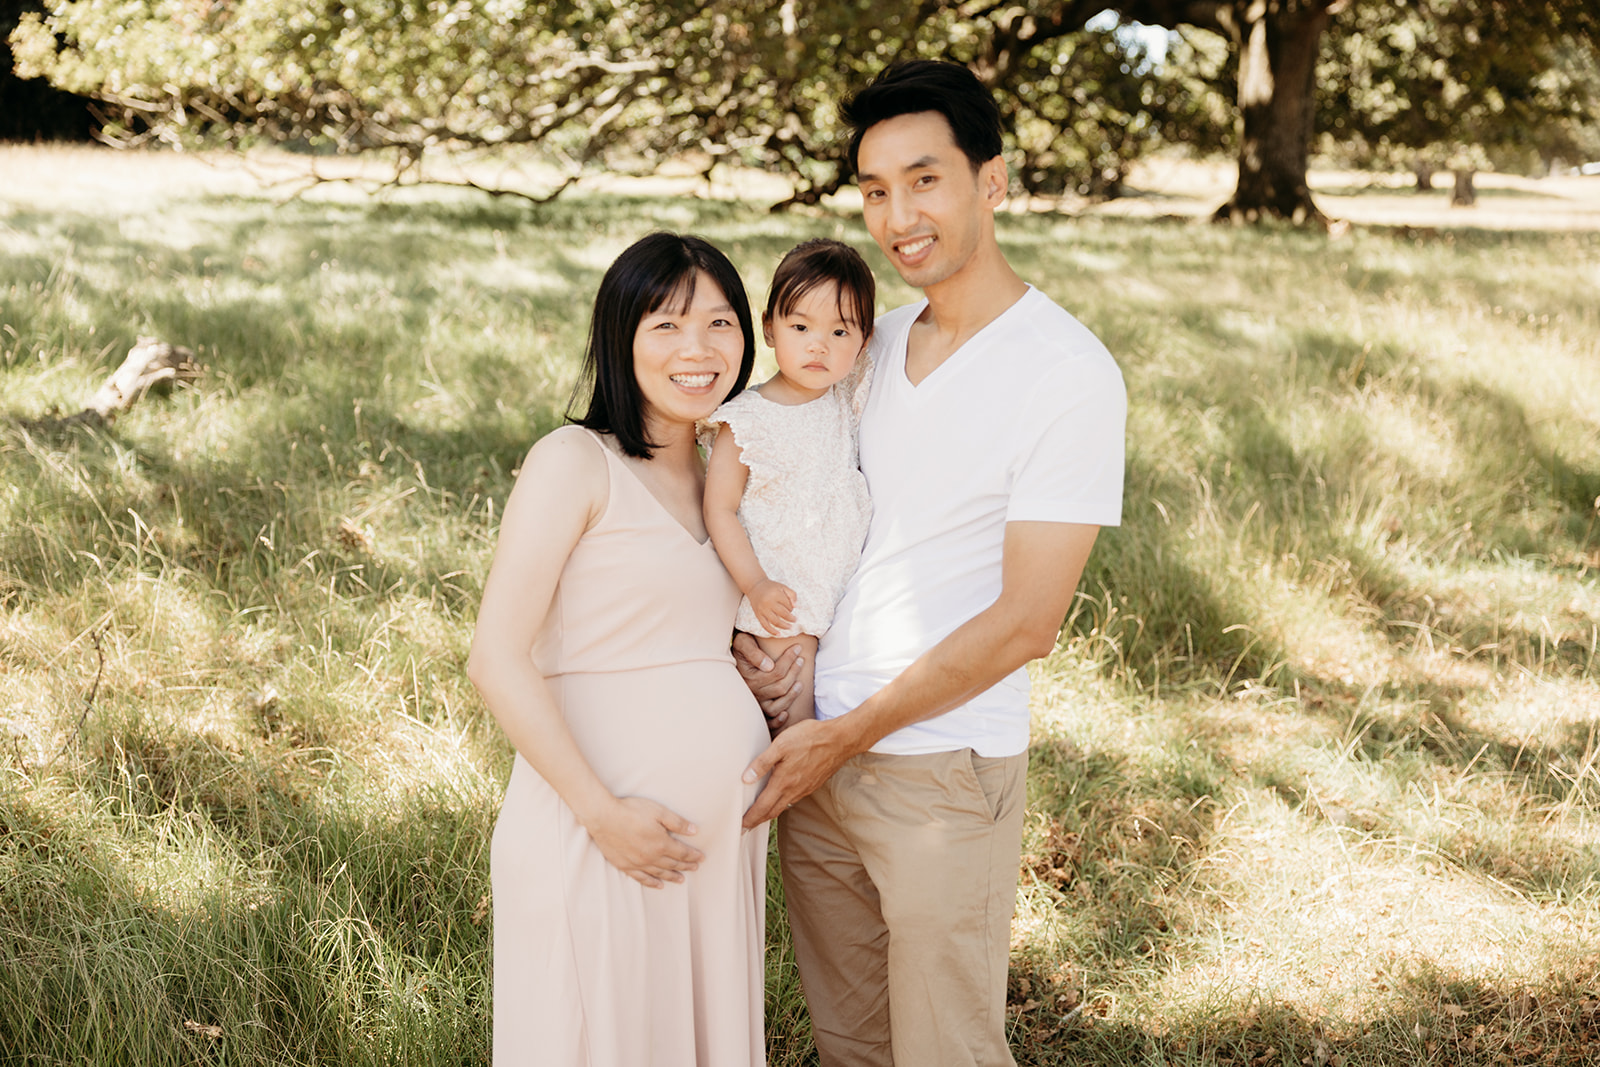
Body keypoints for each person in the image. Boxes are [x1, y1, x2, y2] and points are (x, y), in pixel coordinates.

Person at [734, 60, 1128, 1067]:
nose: (897, 215)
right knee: (851, 1044)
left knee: (946, 1050)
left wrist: (843, 731)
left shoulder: (1066, 373)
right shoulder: (869, 341)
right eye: (873, 190)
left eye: (923, 179)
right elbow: (772, 470)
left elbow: (1025, 621)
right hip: (818, 749)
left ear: (990, 180)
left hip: (942, 769)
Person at [467, 232, 771, 1066]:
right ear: (618, 336)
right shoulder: (574, 462)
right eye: (666, 326)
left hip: (713, 858)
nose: (698, 350)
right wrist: (604, 816)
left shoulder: (729, 477)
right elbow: (494, 656)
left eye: (720, 323)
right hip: (598, 833)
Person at [702, 238, 877, 733]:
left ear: (862, 343)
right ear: (770, 329)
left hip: (837, 599)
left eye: (840, 331)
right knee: (791, 726)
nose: (819, 344)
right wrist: (756, 585)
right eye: (800, 327)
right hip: (783, 604)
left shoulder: (844, 398)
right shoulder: (747, 421)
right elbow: (719, 509)